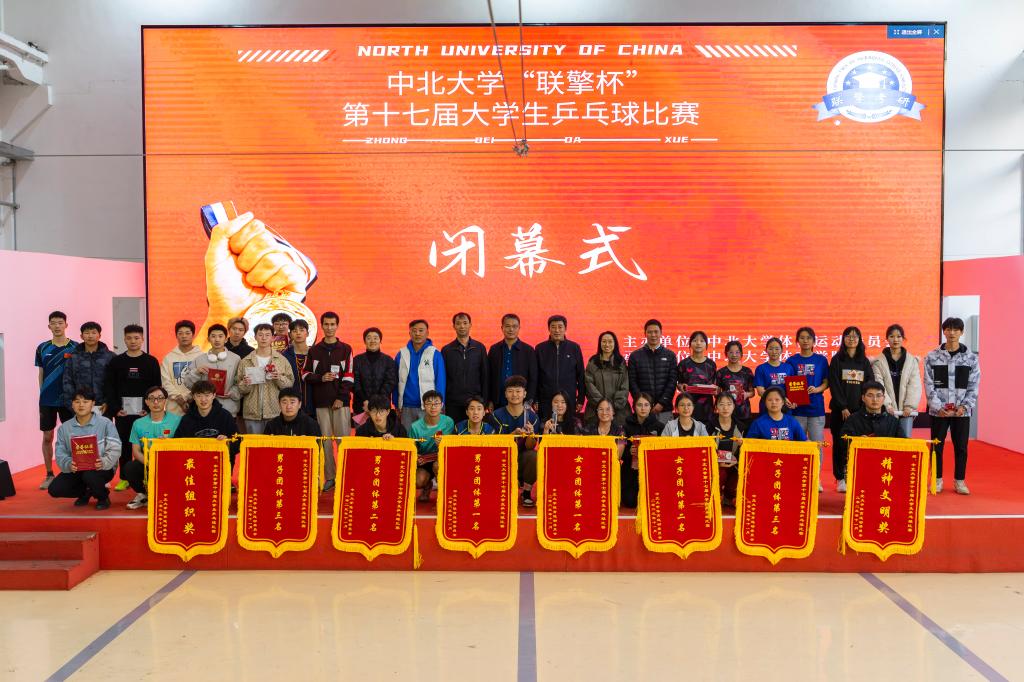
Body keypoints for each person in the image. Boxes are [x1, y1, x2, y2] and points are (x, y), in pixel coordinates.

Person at [924, 317, 981, 495]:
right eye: (948, 329)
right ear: (944, 331)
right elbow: (928, 383)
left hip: (961, 412)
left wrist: (965, 406)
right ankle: (937, 480)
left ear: (961, 332)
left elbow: (974, 385)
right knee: (937, 446)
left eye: (956, 330)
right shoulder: (932, 356)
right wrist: (937, 406)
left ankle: (959, 481)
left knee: (961, 447)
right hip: (939, 412)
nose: (952, 333)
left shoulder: (971, 358)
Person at [104, 324, 161, 492]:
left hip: (145, 413)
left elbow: (157, 387)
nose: (133, 341)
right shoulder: (116, 362)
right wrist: (116, 409)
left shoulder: (151, 361)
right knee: (124, 444)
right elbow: (110, 387)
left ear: (142, 339)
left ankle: (146, 475)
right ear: (124, 339)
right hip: (123, 413)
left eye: (136, 338)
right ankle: (124, 478)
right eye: (129, 338)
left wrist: (149, 409)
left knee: (145, 443)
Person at [48, 386, 120, 510]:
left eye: (85, 401)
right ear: (72, 404)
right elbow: (60, 453)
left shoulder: (105, 423)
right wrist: (69, 464)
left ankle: (103, 496)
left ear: (93, 404)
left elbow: (115, 448)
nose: (81, 405)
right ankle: (86, 492)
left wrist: (103, 462)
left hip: (101, 468)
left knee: (90, 476)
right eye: (77, 401)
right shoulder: (64, 428)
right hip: (76, 469)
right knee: (55, 489)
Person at [307, 312, 356, 492]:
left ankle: (346, 475)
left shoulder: (346, 349)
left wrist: (341, 398)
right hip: (321, 404)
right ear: (321, 326)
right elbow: (305, 374)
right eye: (326, 324)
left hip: (340, 404)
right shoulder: (314, 350)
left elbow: (349, 376)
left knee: (344, 441)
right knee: (326, 442)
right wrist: (320, 377)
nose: (329, 327)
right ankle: (330, 477)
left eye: (332, 324)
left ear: (337, 326)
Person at [828, 326, 874, 492]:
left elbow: (869, 384)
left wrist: (863, 408)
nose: (852, 339)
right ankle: (840, 478)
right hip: (840, 412)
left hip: (859, 412)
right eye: (848, 336)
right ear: (843, 339)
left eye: (855, 336)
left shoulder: (864, 361)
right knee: (840, 445)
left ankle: (855, 476)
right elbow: (834, 385)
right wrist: (843, 407)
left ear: (859, 339)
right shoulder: (837, 360)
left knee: (858, 445)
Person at [36, 310, 78, 489]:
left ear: (66, 325)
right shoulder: (42, 348)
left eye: (60, 322)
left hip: (69, 399)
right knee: (47, 436)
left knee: (72, 436)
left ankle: (74, 473)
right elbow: (41, 373)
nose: (57, 326)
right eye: (53, 323)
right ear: (49, 326)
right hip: (47, 399)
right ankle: (49, 474)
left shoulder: (75, 347)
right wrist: (43, 394)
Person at [122, 385, 182, 510]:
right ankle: (144, 495)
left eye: (160, 398)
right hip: (148, 463)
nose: (156, 402)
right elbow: (136, 451)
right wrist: (151, 463)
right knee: (129, 468)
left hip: (171, 463)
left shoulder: (177, 420)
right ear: (146, 402)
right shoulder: (138, 423)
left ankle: (168, 493)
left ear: (165, 401)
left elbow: (182, 446)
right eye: (152, 398)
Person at [786, 326, 829, 490]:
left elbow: (826, 381)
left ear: (814, 341)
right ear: (797, 341)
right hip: (797, 410)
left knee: (817, 445)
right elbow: (788, 384)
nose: (805, 341)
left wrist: (817, 389)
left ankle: (816, 478)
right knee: (798, 445)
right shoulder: (791, 361)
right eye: (802, 338)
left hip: (816, 409)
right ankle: (799, 477)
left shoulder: (821, 360)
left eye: (809, 338)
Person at [491, 375, 541, 507]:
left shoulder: (532, 417)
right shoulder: (496, 415)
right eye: (510, 391)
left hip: (522, 457)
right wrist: (512, 435)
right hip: (503, 456)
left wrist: (530, 435)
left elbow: (530, 446)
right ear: (505, 394)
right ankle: (499, 490)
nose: (514, 395)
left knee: (534, 456)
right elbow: (495, 444)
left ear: (524, 394)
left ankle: (526, 492)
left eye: (518, 391)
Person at [236, 323, 295, 434]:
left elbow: (289, 384)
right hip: (252, 413)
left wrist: (278, 378)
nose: (263, 338)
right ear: (255, 337)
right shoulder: (246, 361)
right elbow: (240, 389)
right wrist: (246, 383)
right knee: (254, 444)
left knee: (273, 444)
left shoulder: (281, 360)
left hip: (274, 412)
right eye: (260, 335)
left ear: (272, 338)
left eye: (267, 335)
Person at [176, 380, 240, 474]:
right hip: (195, 467)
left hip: (219, 466)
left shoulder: (225, 416)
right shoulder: (186, 419)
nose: (203, 400)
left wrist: (228, 442)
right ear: (193, 397)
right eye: (199, 395)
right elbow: (177, 444)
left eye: (207, 395)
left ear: (214, 395)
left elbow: (238, 441)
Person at [871, 324, 922, 438]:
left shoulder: (912, 361)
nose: (895, 339)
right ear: (887, 339)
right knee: (887, 442)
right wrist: (887, 405)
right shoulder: (878, 362)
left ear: (903, 338)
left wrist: (909, 406)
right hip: (886, 411)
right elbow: (879, 385)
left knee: (904, 441)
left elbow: (915, 385)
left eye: (899, 336)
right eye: (891, 336)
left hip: (906, 412)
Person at [395, 319, 446, 431]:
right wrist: (396, 403)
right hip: (406, 406)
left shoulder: (434, 354)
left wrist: (440, 405)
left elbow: (440, 381)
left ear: (427, 333)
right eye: (414, 331)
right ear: (409, 333)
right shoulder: (401, 354)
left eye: (421, 330)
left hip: (429, 406)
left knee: (428, 438)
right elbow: (396, 381)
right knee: (408, 437)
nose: (417, 333)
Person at [182, 323, 241, 417]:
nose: (217, 339)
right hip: (204, 410)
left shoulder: (236, 359)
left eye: (220, 336)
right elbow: (188, 384)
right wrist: (196, 372)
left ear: (226, 339)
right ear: (208, 339)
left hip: (228, 409)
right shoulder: (199, 360)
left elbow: (241, 382)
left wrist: (232, 393)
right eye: (213, 336)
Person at [406, 390, 456, 502]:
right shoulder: (415, 427)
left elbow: (452, 445)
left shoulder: (449, 422)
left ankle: (443, 496)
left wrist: (443, 443)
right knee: (418, 480)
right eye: (429, 403)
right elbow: (411, 448)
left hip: (442, 459)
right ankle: (427, 485)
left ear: (442, 405)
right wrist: (416, 457)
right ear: (424, 406)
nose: (433, 407)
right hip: (424, 460)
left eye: (436, 403)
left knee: (438, 466)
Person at [441, 312, 489, 426]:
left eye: (465, 323)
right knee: (454, 432)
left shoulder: (479, 348)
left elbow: (485, 376)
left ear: (470, 325)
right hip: (453, 403)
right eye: (458, 323)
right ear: (454, 326)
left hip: (475, 402)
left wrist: (485, 401)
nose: (462, 326)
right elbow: (443, 378)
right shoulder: (447, 350)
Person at [535, 315, 586, 421]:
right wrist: (535, 399)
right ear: (549, 329)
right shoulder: (540, 348)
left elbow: (581, 376)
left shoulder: (574, 348)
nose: (557, 330)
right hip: (546, 400)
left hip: (568, 399)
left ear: (565, 328)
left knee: (568, 427)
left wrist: (581, 399)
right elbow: (535, 376)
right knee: (546, 427)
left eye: (560, 327)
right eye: (553, 327)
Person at [627, 319, 678, 425]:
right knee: (642, 435)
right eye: (650, 332)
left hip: (664, 409)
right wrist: (643, 403)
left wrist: (662, 403)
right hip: (642, 409)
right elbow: (632, 382)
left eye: (656, 332)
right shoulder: (635, 356)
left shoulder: (670, 355)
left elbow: (672, 382)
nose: (653, 335)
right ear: (645, 334)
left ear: (661, 333)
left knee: (665, 435)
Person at [62, 321, 115, 414]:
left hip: (103, 406)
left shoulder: (110, 357)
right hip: (80, 406)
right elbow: (67, 382)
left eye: (94, 333)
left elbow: (115, 382)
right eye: (87, 333)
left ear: (99, 335)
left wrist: (109, 402)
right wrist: (71, 404)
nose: (90, 336)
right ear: (81, 336)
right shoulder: (73, 357)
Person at [487, 313, 538, 410]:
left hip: (520, 401)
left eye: (514, 326)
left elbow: (533, 378)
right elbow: (489, 376)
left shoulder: (528, 350)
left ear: (519, 328)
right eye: (507, 326)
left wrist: (529, 401)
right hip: (498, 400)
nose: (511, 329)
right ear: (502, 328)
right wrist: (489, 400)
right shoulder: (494, 349)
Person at [621, 392, 662, 508]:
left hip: (652, 471)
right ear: (634, 407)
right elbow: (619, 452)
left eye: (646, 405)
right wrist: (628, 451)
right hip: (631, 471)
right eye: (639, 405)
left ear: (651, 407)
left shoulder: (659, 427)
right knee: (630, 502)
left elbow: (664, 453)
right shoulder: (625, 426)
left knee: (652, 501)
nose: (643, 408)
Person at [584, 331, 629, 428]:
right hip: (595, 410)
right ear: (600, 343)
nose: (607, 344)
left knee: (618, 436)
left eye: (610, 341)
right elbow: (589, 385)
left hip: (618, 411)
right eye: (604, 341)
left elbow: (624, 387)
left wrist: (612, 407)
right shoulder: (593, 362)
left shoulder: (620, 362)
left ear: (615, 343)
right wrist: (602, 406)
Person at [161, 320, 205, 416]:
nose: (184, 336)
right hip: (173, 407)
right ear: (176, 336)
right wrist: (178, 398)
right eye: (180, 333)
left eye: (187, 333)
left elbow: (203, 380)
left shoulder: (201, 356)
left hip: (196, 403)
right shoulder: (168, 358)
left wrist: (190, 397)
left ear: (193, 335)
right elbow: (165, 381)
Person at [708, 393, 744, 507]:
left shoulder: (740, 426)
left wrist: (736, 460)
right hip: (715, 465)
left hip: (735, 464)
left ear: (734, 406)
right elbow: (705, 450)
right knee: (720, 473)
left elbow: (745, 450)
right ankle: (716, 495)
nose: (725, 408)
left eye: (729, 404)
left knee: (739, 475)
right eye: (721, 404)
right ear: (716, 407)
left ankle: (729, 497)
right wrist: (716, 462)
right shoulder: (709, 426)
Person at [353, 326, 397, 417]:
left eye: (375, 338)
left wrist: (375, 402)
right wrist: (365, 401)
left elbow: (390, 382)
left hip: (382, 407)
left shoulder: (388, 360)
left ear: (380, 340)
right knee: (362, 427)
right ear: (364, 341)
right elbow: (354, 382)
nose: (372, 341)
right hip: (361, 406)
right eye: (369, 338)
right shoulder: (357, 360)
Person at [676, 331, 717, 424]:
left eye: (702, 341)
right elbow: (679, 384)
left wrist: (716, 390)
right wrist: (681, 387)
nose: (698, 343)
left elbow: (714, 385)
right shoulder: (683, 364)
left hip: (707, 407)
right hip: (687, 406)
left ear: (706, 344)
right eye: (695, 340)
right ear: (690, 343)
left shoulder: (711, 364)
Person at [716, 340, 756, 427]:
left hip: (744, 413)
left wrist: (746, 394)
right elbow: (717, 394)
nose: (734, 355)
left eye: (737, 352)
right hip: (726, 412)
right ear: (726, 354)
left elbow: (753, 392)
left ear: (741, 354)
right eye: (731, 352)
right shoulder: (721, 372)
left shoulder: (747, 371)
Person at [281, 318, 316, 417]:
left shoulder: (316, 353)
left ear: (307, 333)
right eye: (294, 331)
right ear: (290, 334)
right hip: (291, 403)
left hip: (314, 401)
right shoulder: (284, 355)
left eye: (301, 330)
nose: (298, 333)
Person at [754, 337, 796, 408]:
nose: (774, 352)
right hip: (767, 407)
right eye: (771, 349)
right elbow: (760, 392)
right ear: (766, 350)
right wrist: (781, 399)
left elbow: (793, 389)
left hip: (785, 406)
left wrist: (794, 401)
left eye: (777, 349)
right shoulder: (761, 368)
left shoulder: (789, 368)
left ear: (781, 350)